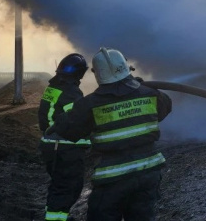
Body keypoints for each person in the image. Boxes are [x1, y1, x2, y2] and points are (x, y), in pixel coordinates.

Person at [48, 47, 172, 221]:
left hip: (113, 179)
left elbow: (69, 129)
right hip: (148, 173)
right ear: (127, 67)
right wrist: (137, 89)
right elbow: (165, 108)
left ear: (97, 74)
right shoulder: (151, 94)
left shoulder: (89, 104)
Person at [39, 53, 91, 221]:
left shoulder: (54, 87)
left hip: (52, 146)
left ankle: (54, 216)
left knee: (59, 187)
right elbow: (76, 120)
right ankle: (55, 218)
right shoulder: (70, 92)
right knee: (68, 188)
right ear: (80, 73)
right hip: (65, 148)